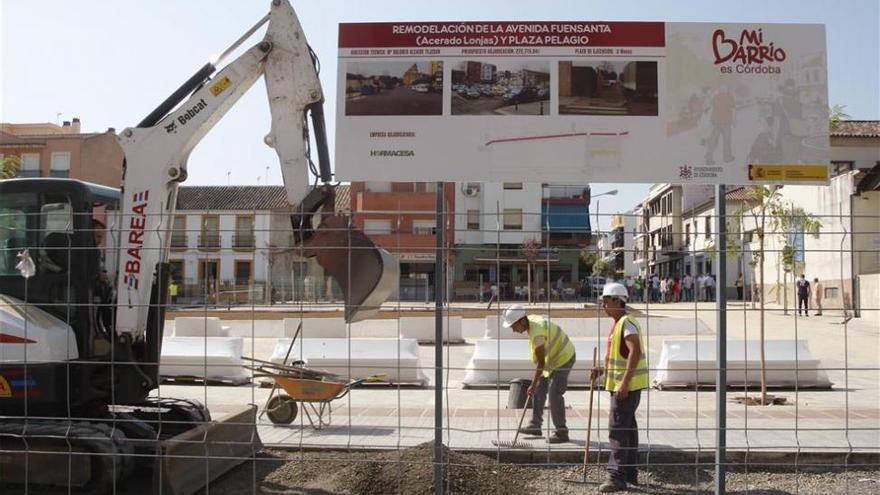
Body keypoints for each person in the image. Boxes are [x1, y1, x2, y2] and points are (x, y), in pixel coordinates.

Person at [592, 282, 648, 492]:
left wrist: (624, 383)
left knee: (617, 430)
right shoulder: (619, 323)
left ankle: (616, 476)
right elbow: (620, 357)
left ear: (618, 300)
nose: (603, 305)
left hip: (626, 387)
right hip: (624, 385)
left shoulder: (626, 323)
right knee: (628, 429)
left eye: (606, 301)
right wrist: (602, 370)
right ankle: (630, 472)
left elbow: (635, 351)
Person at [502, 304, 576, 444]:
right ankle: (535, 425)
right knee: (539, 390)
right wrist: (535, 384)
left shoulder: (537, 333)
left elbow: (541, 363)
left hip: (564, 358)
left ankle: (562, 432)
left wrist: (533, 383)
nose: (513, 330)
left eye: (513, 326)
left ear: (522, 321)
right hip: (553, 360)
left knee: (554, 393)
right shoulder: (530, 322)